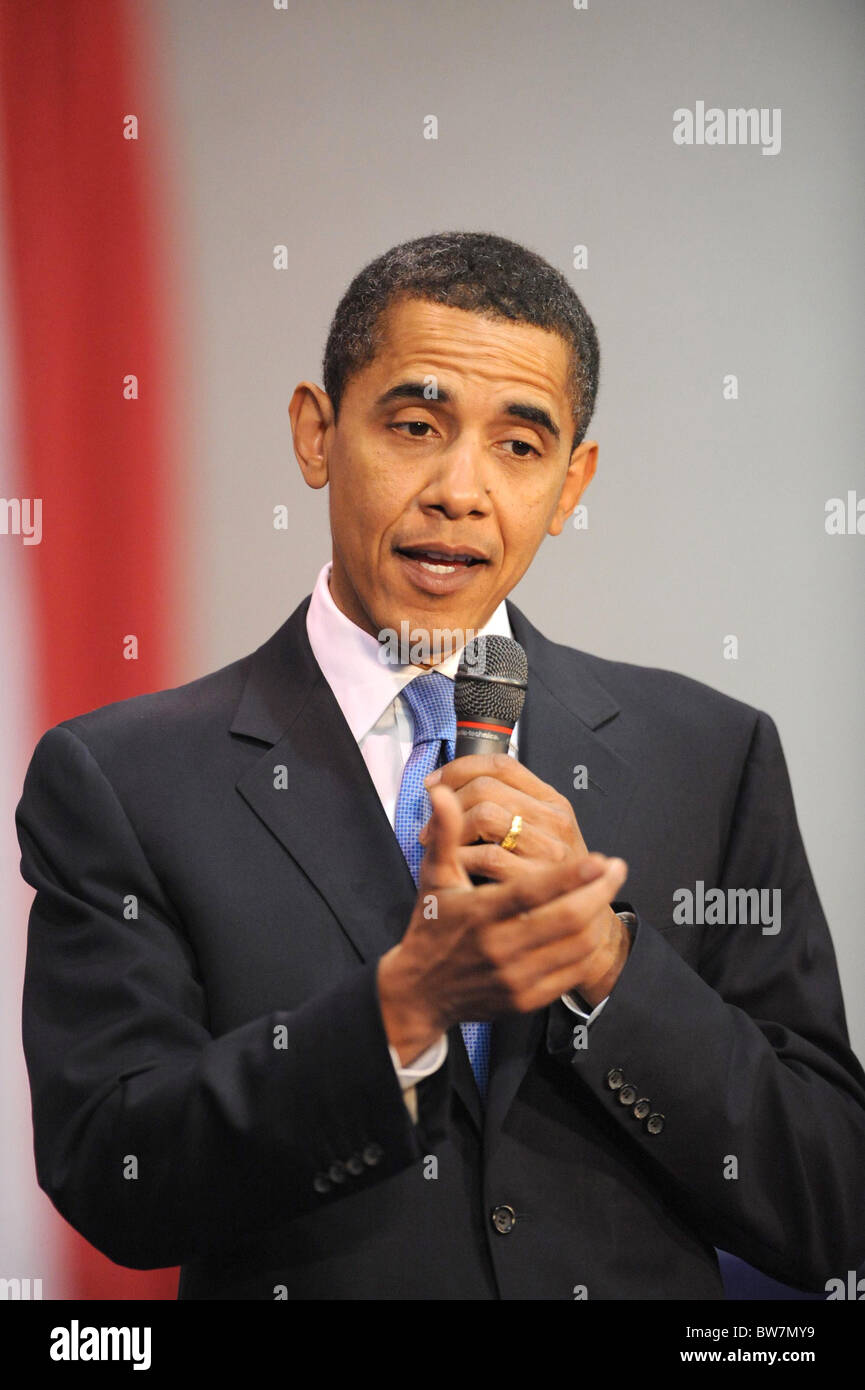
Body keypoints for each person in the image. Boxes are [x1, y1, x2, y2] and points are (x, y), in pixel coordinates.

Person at [17, 231, 865, 1301]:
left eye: (519, 446)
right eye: (415, 427)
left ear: (571, 483)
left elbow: (832, 1204)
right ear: (316, 434)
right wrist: (399, 1013)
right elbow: (114, 1173)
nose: (460, 490)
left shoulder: (711, 754)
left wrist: (609, 964)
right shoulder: (125, 780)